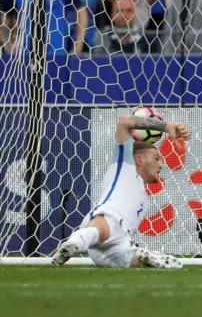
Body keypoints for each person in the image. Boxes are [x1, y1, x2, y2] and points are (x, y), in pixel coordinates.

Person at [52, 113, 192, 268]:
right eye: (156, 158)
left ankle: (141, 256)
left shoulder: (144, 197)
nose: (161, 165)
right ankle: (74, 243)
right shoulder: (124, 166)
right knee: (102, 228)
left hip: (120, 242)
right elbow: (124, 122)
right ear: (139, 160)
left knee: (170, 264)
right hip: (106, 219)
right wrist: (166, 126)